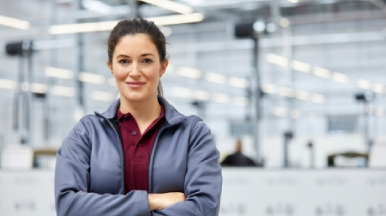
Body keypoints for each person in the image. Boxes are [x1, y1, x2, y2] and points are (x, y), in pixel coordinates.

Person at [55, 18, 222, 216]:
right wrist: (150, 201)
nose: (134, 72)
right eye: (124, 61)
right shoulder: (87, 133)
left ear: (162, 66)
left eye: (146, 60)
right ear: (111, 66)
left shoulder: (193, 134)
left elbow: (203, 209)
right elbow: (68, 206)